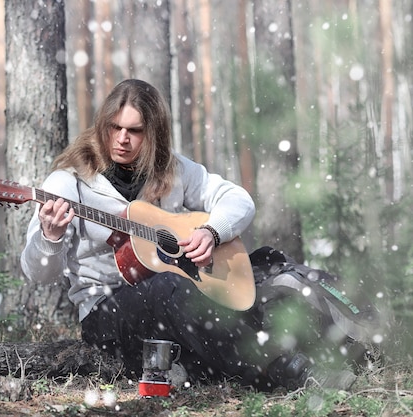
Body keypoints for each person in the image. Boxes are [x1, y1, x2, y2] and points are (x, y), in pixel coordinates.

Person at [20, 79, 363, 391]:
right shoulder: (69, 182)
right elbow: (39, 274)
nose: (122, 138)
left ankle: (354, 347)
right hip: (107, 315)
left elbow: (237, 199)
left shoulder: (172, 169)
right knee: (174, 290)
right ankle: (293, 373)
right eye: (114, 127)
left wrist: (213, 233)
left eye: (134, 130)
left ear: (153, 133)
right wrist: (50, 238)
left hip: (173, 298)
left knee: (258, 278)